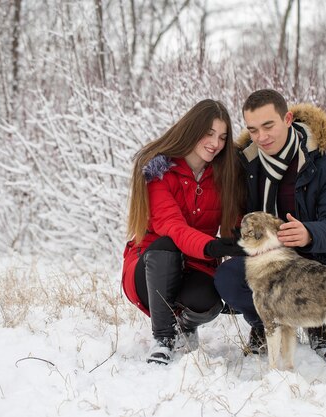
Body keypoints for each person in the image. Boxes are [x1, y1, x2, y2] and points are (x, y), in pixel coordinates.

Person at [214, 89, 326, 359]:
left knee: (322, 273)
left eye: (269, 126)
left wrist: (309, 233)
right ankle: (263, 323)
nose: (262, 137)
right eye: (253, 130)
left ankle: (317, 325)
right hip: (269, 261)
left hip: (316, 258)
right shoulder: (246, 166)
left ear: (288, 119)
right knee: (228, 277)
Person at [122, 99, 246, 365]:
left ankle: (185, 325)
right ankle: (163, 338)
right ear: (192, 129)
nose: (216, 143)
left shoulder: (223, 175)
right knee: (166, 245)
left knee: (208, 303)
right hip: (150, 265)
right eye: (209, 133)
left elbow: (239, 219)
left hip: (196, 264)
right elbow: (172, 226)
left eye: (223, 137)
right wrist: (213, 246)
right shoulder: (159, 172)